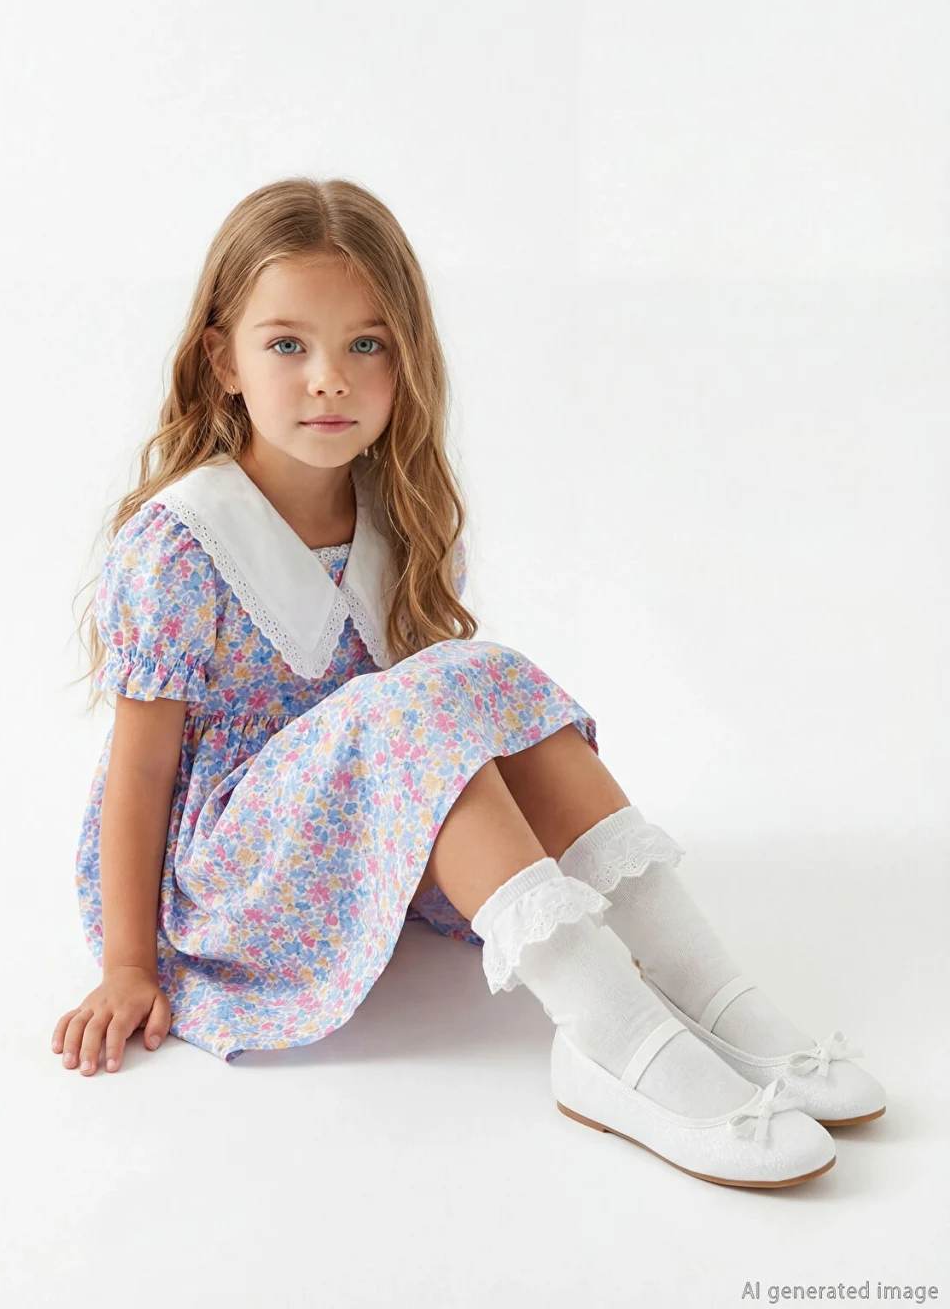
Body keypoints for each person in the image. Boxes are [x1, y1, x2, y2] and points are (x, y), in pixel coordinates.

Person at [52, 177, 886, 1188]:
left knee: (475, 677)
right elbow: (140, 772)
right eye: (288, 345)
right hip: (235, 873)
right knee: (424, 698)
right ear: (223, 360)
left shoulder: (389, 509)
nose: (329, 380)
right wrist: (129, 967)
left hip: (360, 831)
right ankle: (608, 1034)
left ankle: (701, 984)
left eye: (366, 345)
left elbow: (431, 729)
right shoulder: (181, 545)